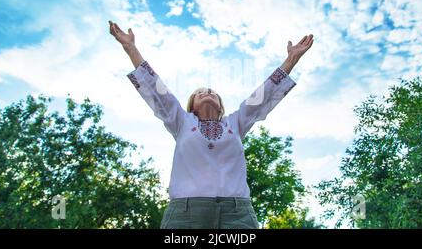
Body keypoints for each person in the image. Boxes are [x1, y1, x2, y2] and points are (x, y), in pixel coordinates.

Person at [108, 20, 314, 229]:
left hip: (237, 215)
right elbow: (157, 90)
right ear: (192, 105)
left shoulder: (236, 122)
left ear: (221, 106)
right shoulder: (180, 121)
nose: (207, 93)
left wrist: (291, 59)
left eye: (212, 92)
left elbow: (263, 94)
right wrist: (130, 48)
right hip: (186, 214)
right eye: (199, 93)